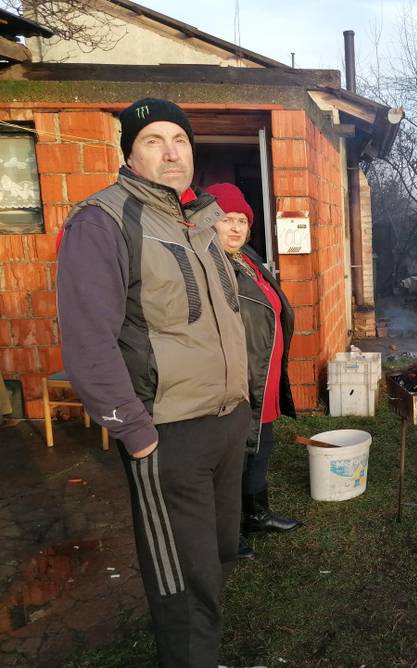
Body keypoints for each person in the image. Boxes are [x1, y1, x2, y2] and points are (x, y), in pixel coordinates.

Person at [56, 98, 250, 666]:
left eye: (180, 140)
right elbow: (89, 342)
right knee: (182, 584)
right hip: (166, 434)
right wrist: (135, 431)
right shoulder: (104, 221)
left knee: (215, 558)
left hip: (225, 424)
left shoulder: (201, 222)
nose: (171, 152)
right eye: (152, 140)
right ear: (131, 154)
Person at [206, 182, 301, 560]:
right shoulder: (211, 266)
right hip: (236, 382)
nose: (234, 227)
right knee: (233, 459)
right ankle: (226, 532)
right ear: (208, 223)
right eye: (225, 219)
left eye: (241, 220)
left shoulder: (247, 258)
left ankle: (256, 515)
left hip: (264, 377)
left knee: (260, 449)